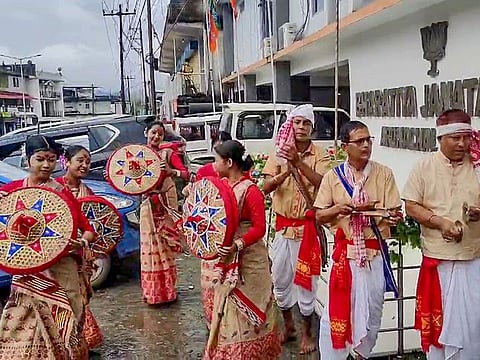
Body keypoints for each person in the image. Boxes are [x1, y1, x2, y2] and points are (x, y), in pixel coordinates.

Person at [0, 135, 96, 359]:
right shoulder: (11, 192)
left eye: (51, 160)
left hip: (62, 269)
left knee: (65, 320)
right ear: (27, 160)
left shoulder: (62, 193)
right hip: (27, 270)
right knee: (22, 321)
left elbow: (89, 230)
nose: (46, 165)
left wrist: (81, 243)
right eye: (40, 159)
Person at [314, 121, 402, 359]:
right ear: (345, 147)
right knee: (336, 314)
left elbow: (394, 212)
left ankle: (362, 354)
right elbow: (320, 215)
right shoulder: (333, 177)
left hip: (374, 256)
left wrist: (392, 217)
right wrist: (341, 209)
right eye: (359, 141)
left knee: (373, 314)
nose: (366, 145)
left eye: (368, 140)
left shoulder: (384, 173)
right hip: (346, 257)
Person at [403, 109, 480, 359]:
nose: (462, 144)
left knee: (472, 328)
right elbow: (411, 206)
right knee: (439, 328)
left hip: (473, 261)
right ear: (440, 139)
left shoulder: (478, 165)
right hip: (438, 263)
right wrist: (440, 223)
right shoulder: (424, 167)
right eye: (455, 138)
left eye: (466, 138)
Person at [262, 104, 330, 354]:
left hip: (307, 232)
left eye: (306, 124)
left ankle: (308, 333)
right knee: (280, 282)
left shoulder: (320, 154)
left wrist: (299, 163)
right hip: (282, 229)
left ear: (312, 128)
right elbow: (265, 187)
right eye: (297, 122)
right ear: (290, 125)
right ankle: (289, 326)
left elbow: (324, 185)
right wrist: (283, 173)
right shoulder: (278, 152)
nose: (301, 127)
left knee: (307, 286)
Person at [204, 140, 281, 359]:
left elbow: (259, 228)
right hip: (229, 261)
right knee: (227, 313)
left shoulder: (250, 191)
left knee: (251, 313)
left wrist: (236, 245)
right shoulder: (224, 187)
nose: (213, 164)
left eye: (216, 160)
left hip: (249, 263)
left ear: (229, 162)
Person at [56, 145, 104, 352]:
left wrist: (86, 242)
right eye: (80, 160)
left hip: (81, 251)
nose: (84, 165)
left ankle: (79, 339)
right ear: (66, 162)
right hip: (58, 253)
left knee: (81, 295)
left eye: (87, 161)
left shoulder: (88, 191)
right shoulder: (55, 188)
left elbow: (94, 223)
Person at [141, 120, 189, 305]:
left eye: (160, 134)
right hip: (147, 205)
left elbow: (185, 174)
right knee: (149, 247)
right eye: (153, 133)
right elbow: (126, 180)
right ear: (147, 132)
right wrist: (113, 177)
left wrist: (171, 172)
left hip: (165, 204)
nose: (156, 137)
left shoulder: (168, 153)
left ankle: (168, 291)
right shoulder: (137, 155)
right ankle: (152, 293)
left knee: (166, 248)